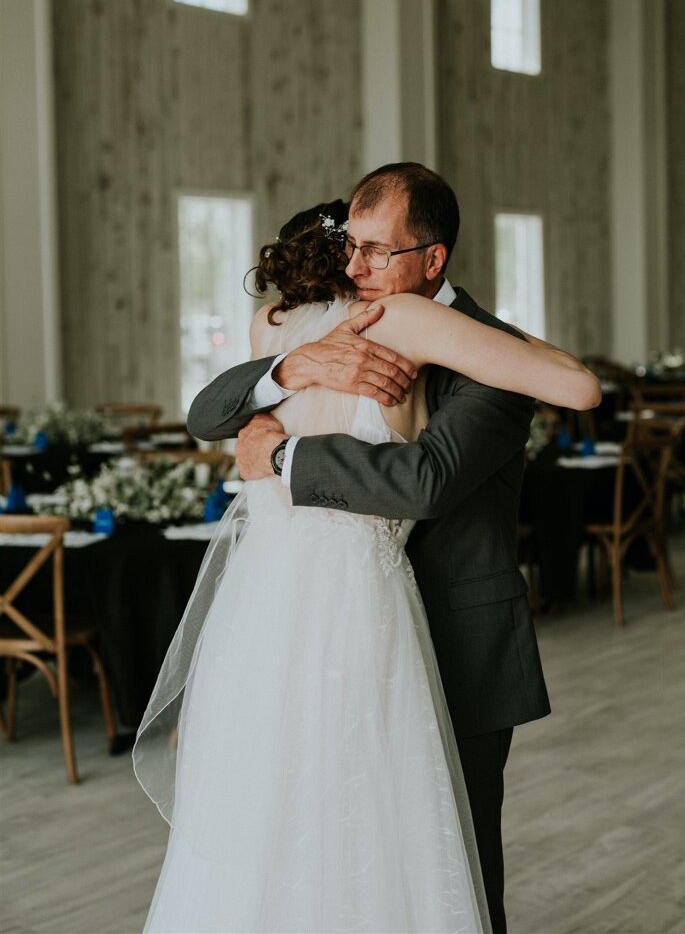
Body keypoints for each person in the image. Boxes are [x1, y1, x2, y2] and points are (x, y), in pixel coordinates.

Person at [141, 165, 599, 932]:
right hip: (319, 628)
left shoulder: (481, 350)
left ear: (433, 258)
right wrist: (288, 369)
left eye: (377, 251)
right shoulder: (302, 335)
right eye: (350, 247)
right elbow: (207, 407)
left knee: (454, 866)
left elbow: (425, 481)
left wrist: (279, 458)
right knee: (316, 842)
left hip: (454, 640)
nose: (358, 267)